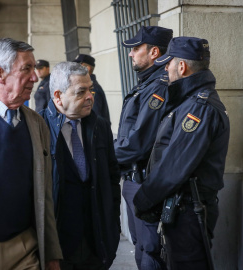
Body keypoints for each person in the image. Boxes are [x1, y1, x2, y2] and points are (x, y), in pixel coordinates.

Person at [133, 37, 230, 270]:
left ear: (182, 67)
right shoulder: (189, 102)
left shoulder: (199, 107)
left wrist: (143, 200)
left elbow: (174, 166)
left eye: (168, 63)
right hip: (181, 208)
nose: (165, 68)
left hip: (189, 210)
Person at [0, 38, 62, 270]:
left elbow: (45, 195)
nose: (35, 77)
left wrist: (52, 254)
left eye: (34, 69)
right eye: (26, 69)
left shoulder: (37, 124)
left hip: (25, 249)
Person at [39, 61, 121, 269]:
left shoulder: (99, 126)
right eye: (81, 91)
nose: (90, 96)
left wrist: (112, 227)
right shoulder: (38, 128)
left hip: (97, 243)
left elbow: (112, 179)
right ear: (58, 96)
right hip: (58, 247)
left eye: (90, 89)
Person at [113, 25, 173, 270]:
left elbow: (140, 142)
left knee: (149, 253)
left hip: (144, 181)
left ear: (154, 52)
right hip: (134, 178)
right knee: (141, 248)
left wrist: (105, 158)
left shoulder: (157, 87)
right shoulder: (146, 84)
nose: (130, 54)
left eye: (136, 49)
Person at [73, 54, 110, 123]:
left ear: (87, 68)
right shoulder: (87, 87)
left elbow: (94, 116)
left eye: (78, 65)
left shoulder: (92, 89)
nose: (75, 68)